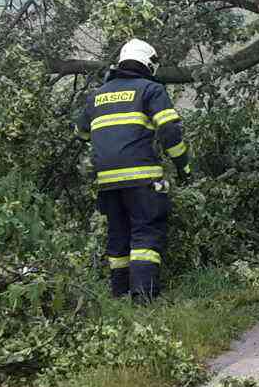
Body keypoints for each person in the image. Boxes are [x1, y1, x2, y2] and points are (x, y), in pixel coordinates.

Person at [76, 38, 192, 302]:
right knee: (145, 233)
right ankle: (144, 298)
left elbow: (80, 132)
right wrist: (183, 166)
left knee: (118, 236)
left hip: (107, 182)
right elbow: (170, 130)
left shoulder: (96, 96)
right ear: (149, 64)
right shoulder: (150, 89)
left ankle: (120, 296)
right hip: (142, 179)